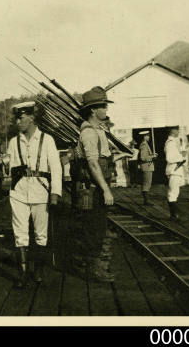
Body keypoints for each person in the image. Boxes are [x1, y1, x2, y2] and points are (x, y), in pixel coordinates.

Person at [7, 101, 62, 288]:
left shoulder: (47, 140)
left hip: (41, 192)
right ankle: (22, 273)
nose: (17, 122)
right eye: (16, 118)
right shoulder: (14, 141)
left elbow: (56, 168)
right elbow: (11, 168)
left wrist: (55, 193)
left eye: (21, 118)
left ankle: (38, 270)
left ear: (31, 117)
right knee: (20, 234)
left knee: (41, 235)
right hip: (19, 193)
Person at [70, 87, 116, 282]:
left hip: (96, 186)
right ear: (92, 110)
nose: (106, 109)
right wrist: (105, 190)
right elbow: (93, 163)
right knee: (94, 228)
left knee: (97, 226)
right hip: (92, 188)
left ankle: (92, 265)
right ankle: (93, 270)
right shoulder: (89, 132)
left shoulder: (98, 130)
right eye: (102, 106)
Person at [164, 125, 185, 220]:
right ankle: (174, 215)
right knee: (173, 193)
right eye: (177, 130)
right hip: (174, 169)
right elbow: (169, 158)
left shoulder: (173, 142)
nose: (178, 131)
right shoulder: (170, 143)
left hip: (176, 170)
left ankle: (174, 214)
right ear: (172, 131)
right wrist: (182, 157)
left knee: (174, 192)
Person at [138, 131, 158, 206]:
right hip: (147, 167)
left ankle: (146, 201)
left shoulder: (145, 145)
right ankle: (146, 201)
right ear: (144, 137)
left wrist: (153, 154)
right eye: (147, 136)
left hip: (147, 166)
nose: (149, 137)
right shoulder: (144, 145)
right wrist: (152, 157)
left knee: (147, 184)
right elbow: (143, 158)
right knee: (146, 184)